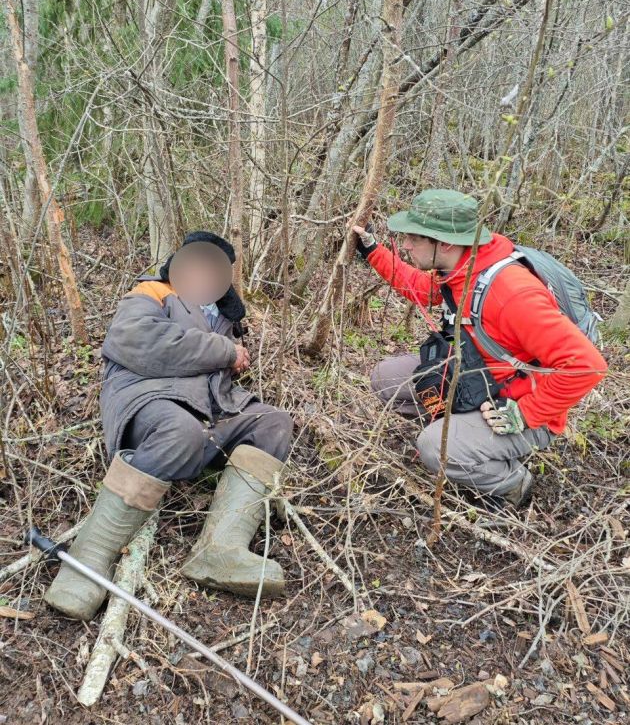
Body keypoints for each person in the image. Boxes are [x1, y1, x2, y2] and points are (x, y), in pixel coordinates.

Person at [45, 231, 293, 621]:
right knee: (180, 430)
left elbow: (218, 380)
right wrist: (226, 352)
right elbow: (140, 342)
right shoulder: (150, 292)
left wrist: (229, 347)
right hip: (148, 400)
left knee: (274, 423)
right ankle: (89, 559)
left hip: (211, 411)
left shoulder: (226, 318)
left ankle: (220, 549)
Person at [353, 189, 607, 508]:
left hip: (520, 404)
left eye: (415, 238)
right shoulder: (461, 267)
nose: (405, 245)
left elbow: (588, 365)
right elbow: (423, 289)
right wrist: (373, 251)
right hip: (478, 378)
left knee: (434, 447)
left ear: (444, 242)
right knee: (386, 378)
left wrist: (525, 414)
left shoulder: (512, 293)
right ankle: (462, 438)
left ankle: (511, 482)